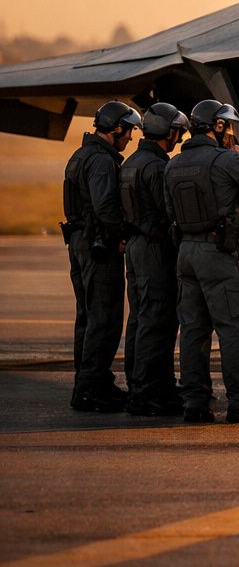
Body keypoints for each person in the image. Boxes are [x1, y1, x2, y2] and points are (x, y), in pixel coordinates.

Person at [164, 100, 239, 423]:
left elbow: (169, 211)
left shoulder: (173, 165)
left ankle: (195, 404)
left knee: (193, 331)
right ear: (217, 127)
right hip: (220, 255)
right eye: (228, 127)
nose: (231, 133)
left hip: (186, 254)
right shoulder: (225, 160)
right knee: (234, 330)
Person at [62, 101, 141, 412]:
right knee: (104, 319)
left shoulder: (80, 155)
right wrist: (122, 233)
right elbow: (105, 206)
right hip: (98, 245)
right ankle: (90, 389)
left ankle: (90, 381)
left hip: (80, 243)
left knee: (87, 317)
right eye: (129, 130)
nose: (131, 137)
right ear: (116, 128)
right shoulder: (100, 161)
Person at [119, 103, 189, 417]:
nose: (178, 137)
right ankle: (146, 394)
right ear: (169, 132)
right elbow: (168, 211)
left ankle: (146, 386)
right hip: (155, 249)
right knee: (157, 321)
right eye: (177, 131)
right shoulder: (157, 167)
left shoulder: (132, 162)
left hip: (136, 247)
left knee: (140, 319)